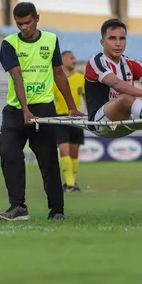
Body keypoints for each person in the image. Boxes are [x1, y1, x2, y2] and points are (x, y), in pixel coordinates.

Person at [0, 2, 84, 222]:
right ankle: (18, 207)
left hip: (45, 109)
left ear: (37, 18)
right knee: (9, 154)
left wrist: (72, 107)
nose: (24, 27)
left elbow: (58, 74)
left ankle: (57, 210)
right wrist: (25, 110)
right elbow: (17, 76)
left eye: (28, 22)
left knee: (48, 161)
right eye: (19, 24)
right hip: (16, 110)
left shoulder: (51, 40)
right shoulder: (9, 44)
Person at [52, 50, 86, 192]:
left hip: (77, 118)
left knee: (74, 152)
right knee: (63, 149)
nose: (74, 60)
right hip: (61, 118)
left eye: (74, 58)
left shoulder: (80, 78)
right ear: (63, 60)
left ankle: (72, 182)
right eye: (71, 58)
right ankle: (70, 184)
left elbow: (86, 98)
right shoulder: (55, 79)